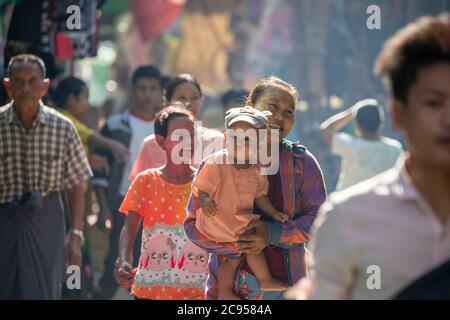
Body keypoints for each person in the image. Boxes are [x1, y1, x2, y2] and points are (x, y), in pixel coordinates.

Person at [288, 12, 450, 300]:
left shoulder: (350, 147)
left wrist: (350, 112)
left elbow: (326, 131)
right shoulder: (347, 218)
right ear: (399, 115)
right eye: (434, 103)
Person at [184, 76, 327, 300]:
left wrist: (273, 233)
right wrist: (236, 248)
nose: (280, 117)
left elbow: (320, 223)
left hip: (290, 288)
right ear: (250, 107)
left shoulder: (302, 163)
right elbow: (191, 225)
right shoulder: (217, 163)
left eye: (289, 112)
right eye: (272, 106)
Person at [0, 53, 92, 299]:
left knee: (45, 291)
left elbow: (75, 185)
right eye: (18, 81)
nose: (26, 88)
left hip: (47, 223)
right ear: (7, 85)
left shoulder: (63, 128)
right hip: (4, 224)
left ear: (45, 87)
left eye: (33, 81)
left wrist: (75, 234)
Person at [193, 106, 290, 299]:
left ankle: (262, 280)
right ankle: (226, 291)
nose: (240, 144)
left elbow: (259, 196)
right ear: (227, 139)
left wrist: (273, 214)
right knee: (233, 255)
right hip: (218, 220)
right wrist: (205, 200)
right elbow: (202, 188)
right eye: (235, 138)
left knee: (249, 246)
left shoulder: (256, 169)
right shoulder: (217, 161)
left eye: (247, 140)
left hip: (239, 222)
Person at [114, 106, 208, 299]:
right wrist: (124, 258)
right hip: (150, 289)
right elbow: (129, 227)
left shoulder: (206, 179)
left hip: (197, 291)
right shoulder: (146, 180)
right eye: (180, 136)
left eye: (191, 135)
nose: (187, 142)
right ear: (161, 141)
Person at [91, 65, 164, 299]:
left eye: (153, 88)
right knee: (117, 257)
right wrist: (103, 208)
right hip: (124, 203)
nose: (147, 94)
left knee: (154, 264)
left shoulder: (168, 128)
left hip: (160, 206)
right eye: (142, 88)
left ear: (160, 92)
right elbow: (100, 173)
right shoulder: (114, 125)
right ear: (133, 90)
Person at [130, 73, 224, 180]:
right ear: (166, 102)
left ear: (201, 102)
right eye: (181, 98)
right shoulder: (152, 144)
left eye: (194, 98)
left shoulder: (217, 140)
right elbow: (141, 189)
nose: (188, 103)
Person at [319, 98, 403, 190]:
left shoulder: (349, 145)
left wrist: (351, 112)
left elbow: (325, 130)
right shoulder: (395, 149)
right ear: (381, 123)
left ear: (357, 126)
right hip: (383, 203)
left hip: (349, 203)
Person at [54, 76, 129, 177]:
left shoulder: (69, 119)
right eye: (85, 98)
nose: (87, 104)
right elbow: (90, 136)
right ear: (72, 99)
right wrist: (113, 145)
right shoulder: (63, 119)